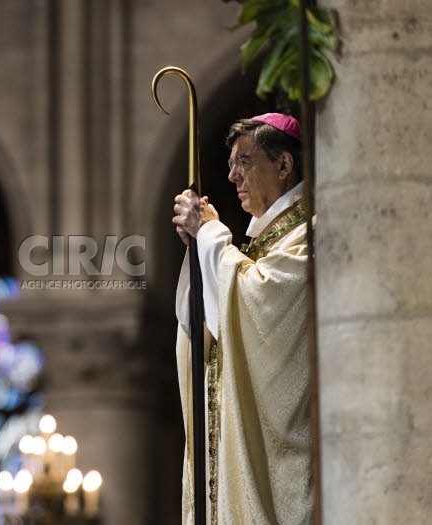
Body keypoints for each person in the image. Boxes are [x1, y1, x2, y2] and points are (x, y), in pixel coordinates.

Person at [172, 113, 313, 524]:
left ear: (284, 165)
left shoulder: (311, 235)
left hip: (286, 471)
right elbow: (206, 329)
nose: (232, 176)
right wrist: (199, 251)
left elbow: (263, 303)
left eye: (244, 162)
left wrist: (212, 237)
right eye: (231, 164)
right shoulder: (258, 247)